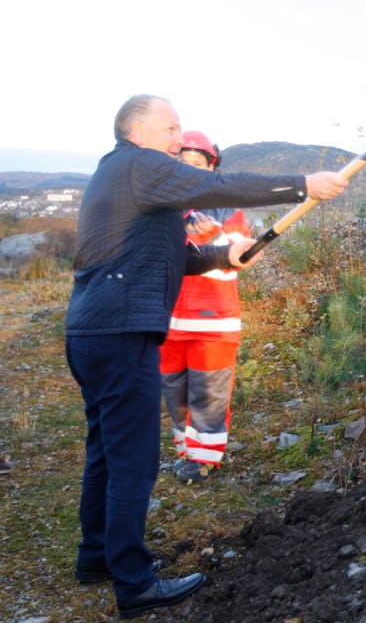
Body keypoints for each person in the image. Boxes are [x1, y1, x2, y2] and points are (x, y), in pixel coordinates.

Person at [65, 94, 347, 618]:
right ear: (137, 129)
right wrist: (302, 185)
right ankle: (134, 582)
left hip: (91, 331)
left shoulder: (125, 178)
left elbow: (179, 254)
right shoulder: (139, 164)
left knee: (105, 448)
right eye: (171, 127)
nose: (179, 138)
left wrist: (224, 253)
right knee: (132, 461)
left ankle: (95, 557)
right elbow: (214, 185)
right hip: (121, 332)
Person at [160, 131, 248, 483]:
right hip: (167, 323)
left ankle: (205, 460)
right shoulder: (163, 207)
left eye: (198, 164)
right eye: (183, 164)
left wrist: (213, 236)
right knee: (174, 392)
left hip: (214, 324)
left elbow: (239, 260)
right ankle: (186, 452)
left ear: (212, 166)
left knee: (209, 394)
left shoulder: (230, 211)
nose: (189, 170)